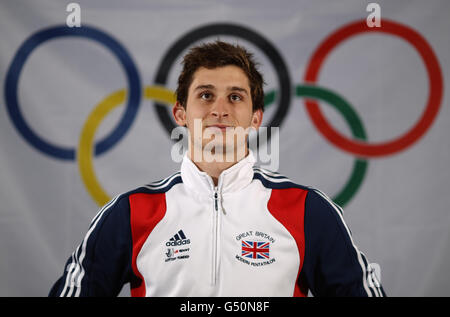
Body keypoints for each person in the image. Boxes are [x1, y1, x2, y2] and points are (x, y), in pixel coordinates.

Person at [49, 41, 385, 297]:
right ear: (180, 114)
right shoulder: (130, 212)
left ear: (256, 118)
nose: (220, 110)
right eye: (206, 95)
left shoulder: (308, 211)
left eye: (236, 97)